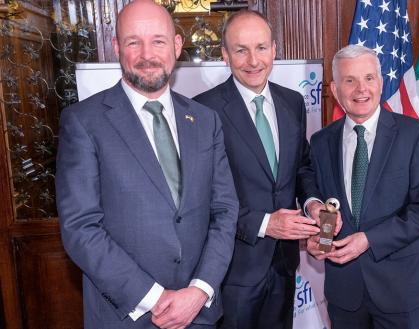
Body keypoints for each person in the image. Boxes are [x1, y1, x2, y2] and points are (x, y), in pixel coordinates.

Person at [56, 1, 238, 328]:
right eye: (132, 42)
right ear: (116, 48)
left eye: (158, 41)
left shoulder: (206, 121)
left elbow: (225, 210)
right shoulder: (84, 122)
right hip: (127, 314)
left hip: (199, 312)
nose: (147, 54)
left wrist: (199, 290)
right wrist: (156, 298)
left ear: (176, 46)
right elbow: (80, 228)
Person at [193, 9, 333, 329]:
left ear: (274, 49)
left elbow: (302, 167)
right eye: (241, 50)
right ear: (225, 55)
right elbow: (200, 198)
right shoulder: (203, 110)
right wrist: (265, 224)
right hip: (233, 271)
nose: (253, 60)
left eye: (261, 48)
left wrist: (312, 204)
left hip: (284, 265)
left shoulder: (293, 102)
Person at [306, 44, 419, 329]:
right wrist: (320, 236)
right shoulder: (320, 142)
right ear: (334, 88)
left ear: (380, 83)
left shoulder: (416, 135)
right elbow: (321, 198)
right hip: (344, 294)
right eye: (350, 80)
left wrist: (369, 239)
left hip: (401, 292)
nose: (361, 89)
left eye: (369, 78)